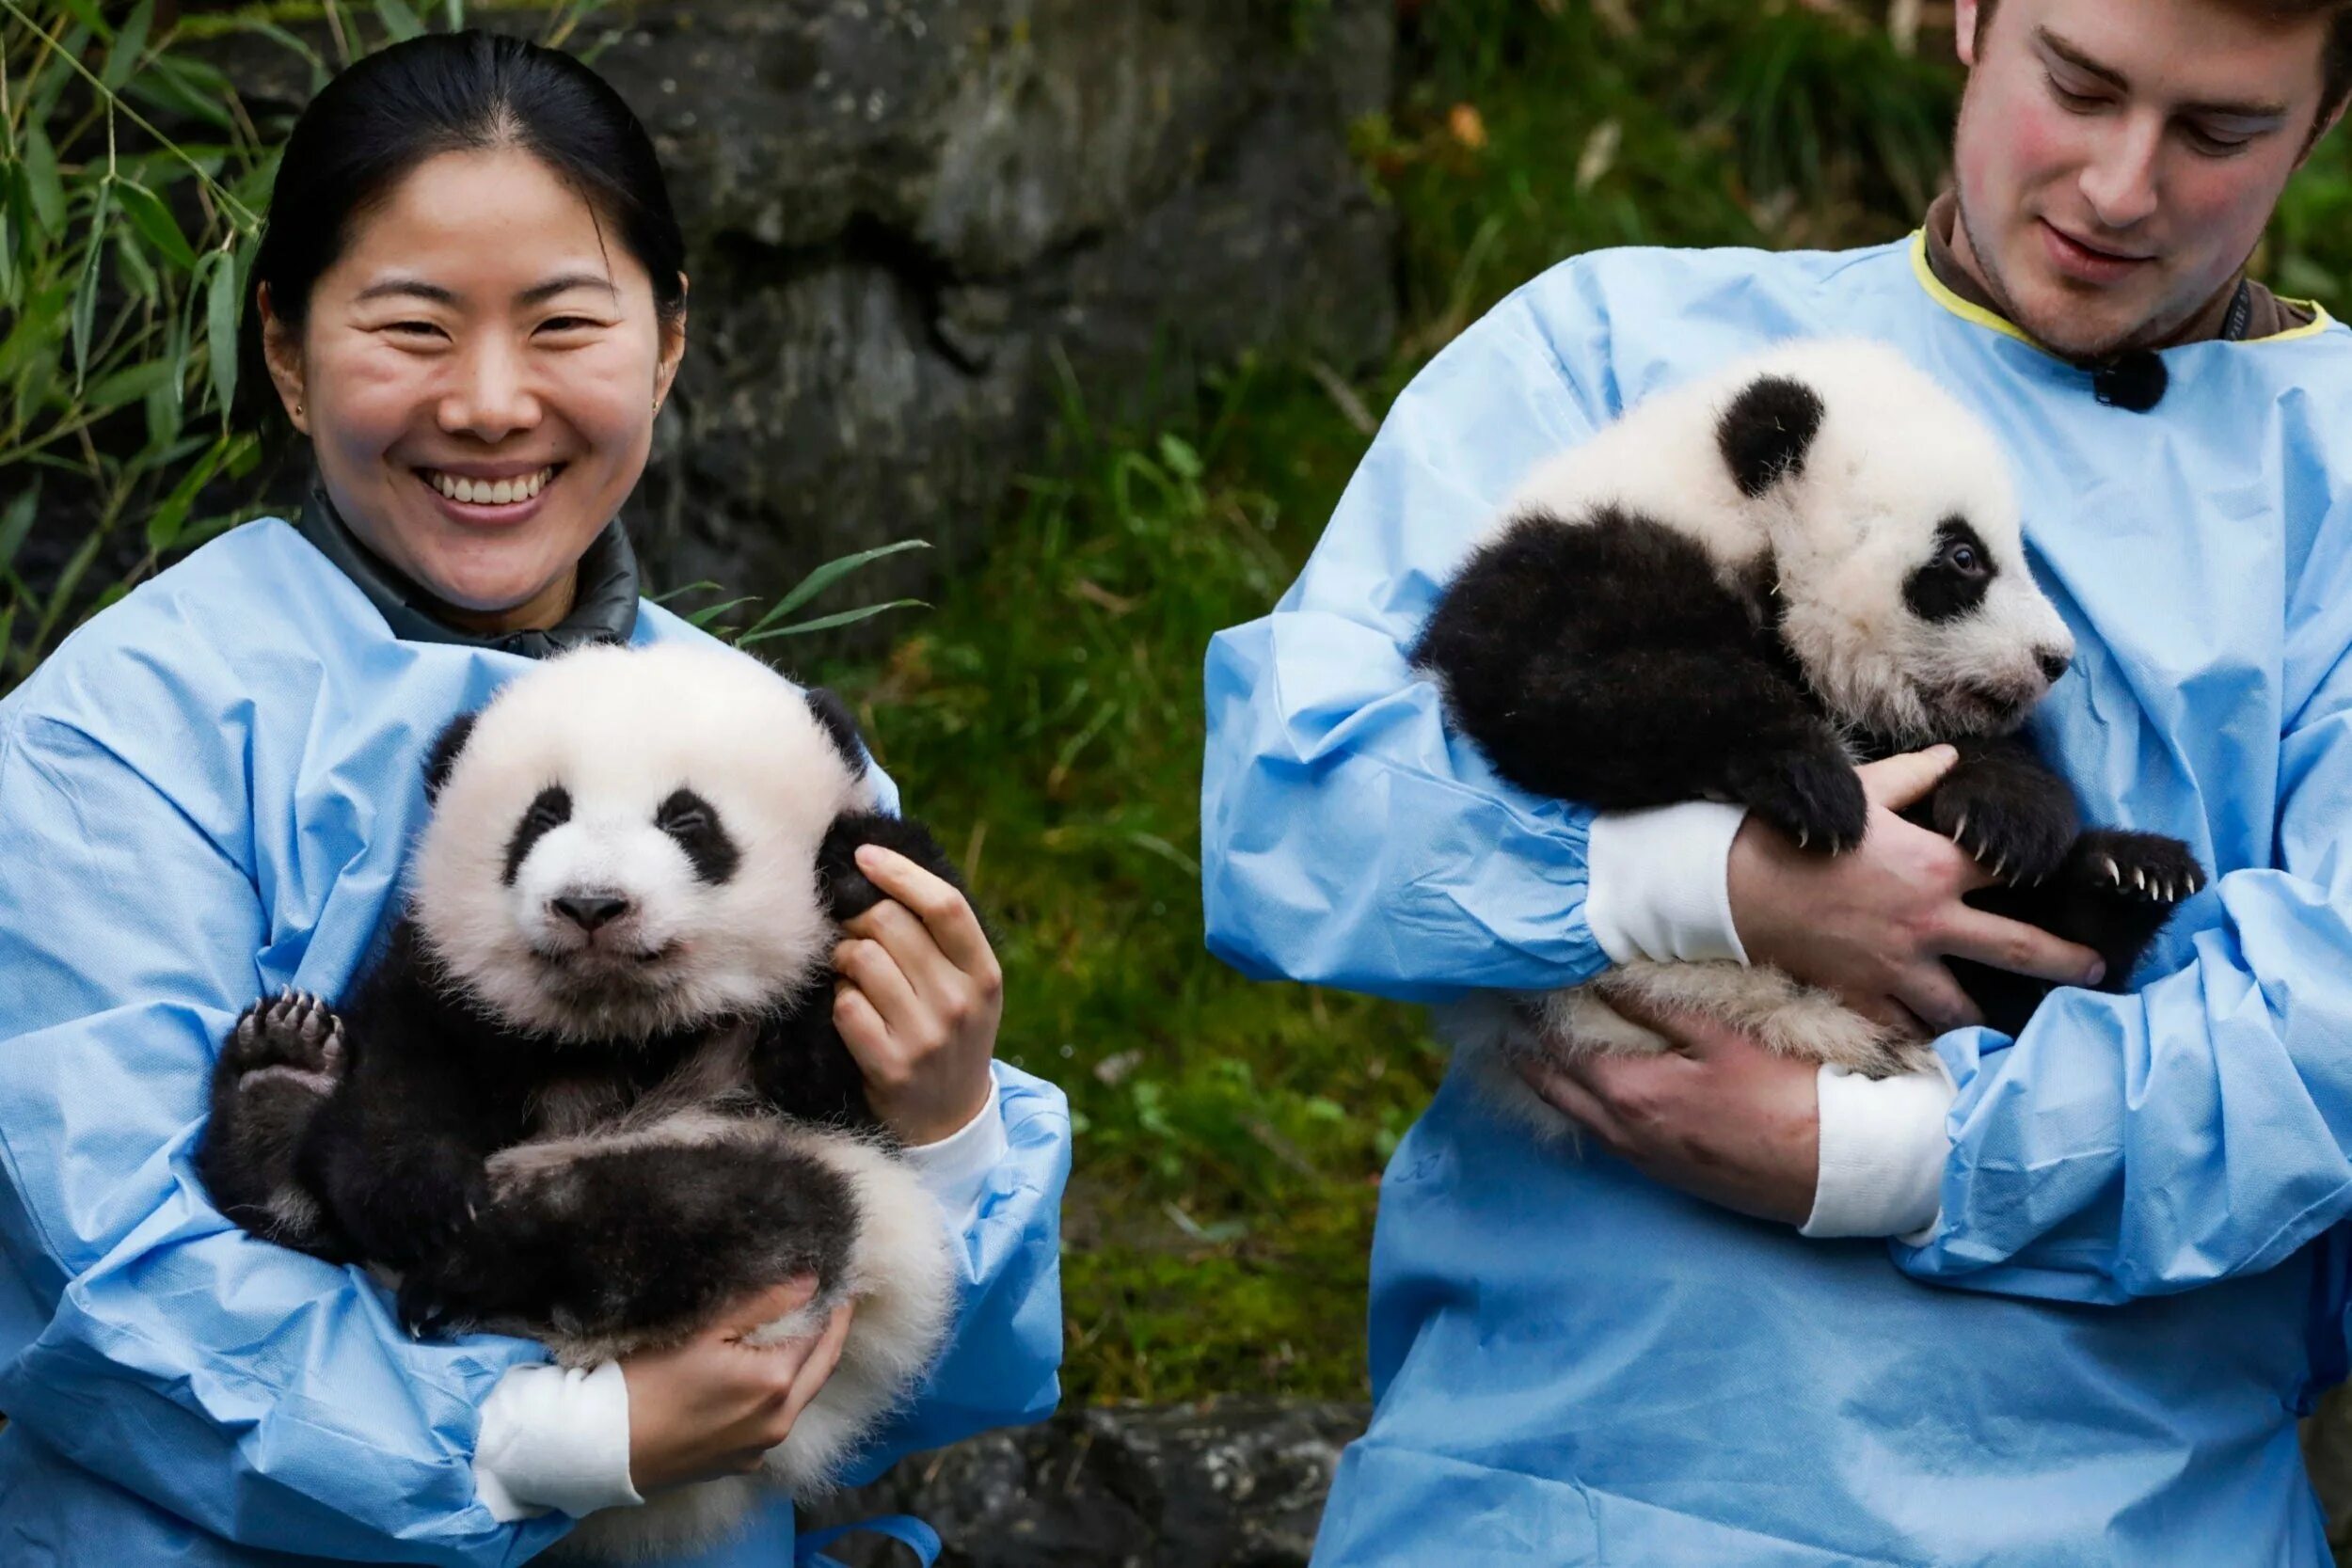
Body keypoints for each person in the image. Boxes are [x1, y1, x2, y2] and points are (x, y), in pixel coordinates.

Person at [1200, 0, 2352, 1560]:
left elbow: (2327, 1040)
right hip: (1558, 1481)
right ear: (1969, 15)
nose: (2118, 186)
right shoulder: (1615, 348)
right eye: (2075, 85)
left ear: (2327, 121)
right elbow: (1293, 805)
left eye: (2220, 133)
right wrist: (1703, 879)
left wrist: (1882, 1154)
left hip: (2108, 1509)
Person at [0, 31, 1069, 1568]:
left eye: (565, 323)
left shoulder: (768, 748)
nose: (492, 404)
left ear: (668, 345)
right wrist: (556, 1442)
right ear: (288, 354)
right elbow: (101, 1277)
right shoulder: (116, 740)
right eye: (412, 328)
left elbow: (911, 1385)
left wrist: (949, 1122)